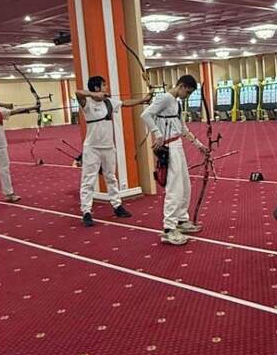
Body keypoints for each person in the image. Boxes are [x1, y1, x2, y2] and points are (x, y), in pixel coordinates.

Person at [140, 75, 209, 245]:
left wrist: (198, 144)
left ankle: (181, 220)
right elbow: (146, 115)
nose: (188, 96)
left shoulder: (176, 103)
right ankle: (169, 229)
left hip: (177, 146)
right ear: (182, 86)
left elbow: (182, 128)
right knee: (174, 188)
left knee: (185, 186)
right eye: (188, 92)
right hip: (169, 148)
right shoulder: (165, 98)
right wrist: (157, 134)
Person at [76, 76, 151, 226]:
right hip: (92, 147)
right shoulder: (87, 103)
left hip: (108, 147)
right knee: (88, 180)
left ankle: (117, 206)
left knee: (111, 177)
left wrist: (143, 100)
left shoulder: (109, 102)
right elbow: (78, 92)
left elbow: (126, 103)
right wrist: (94, 95)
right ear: (96, 88)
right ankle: (86, 212)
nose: (106, 87)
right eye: (104, 85)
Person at [0, 94, 35, 207]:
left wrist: (33, 108)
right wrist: (6, 104)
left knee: (5, 171)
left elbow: (15, 111)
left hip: (2, 146)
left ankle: (9, 194)